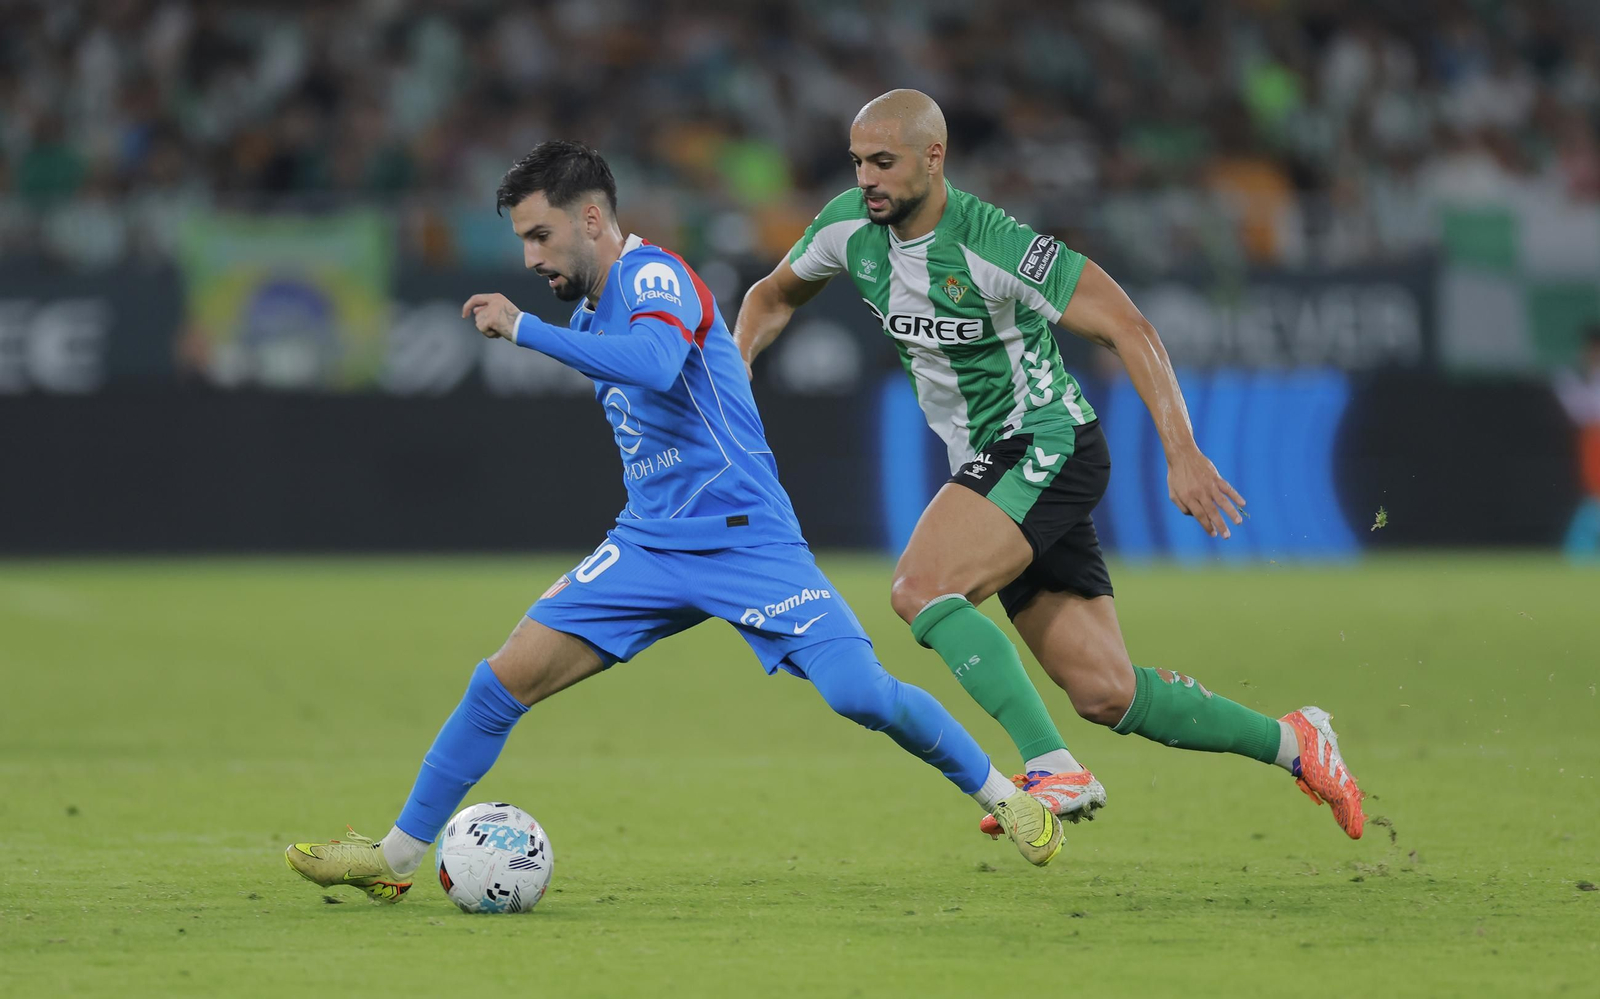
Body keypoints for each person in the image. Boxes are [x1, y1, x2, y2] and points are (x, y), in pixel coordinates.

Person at [284, 141, 1065, 902]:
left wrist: (523, 329)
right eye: (522, 240)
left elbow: (658, 363)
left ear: (592, 219)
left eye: (539, 235)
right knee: (500, 681)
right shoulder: (590, 312)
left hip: (748, 539)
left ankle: (1007, 795)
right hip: (650, 543)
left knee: (859, 693)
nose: (529, 259)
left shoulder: (653, 274)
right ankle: (392, 856)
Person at [734, 91, 1366, 840]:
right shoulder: (847, 229)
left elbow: (1128, 325)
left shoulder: (993, 243)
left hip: (1045, 440)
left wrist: (1182, 450)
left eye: (883, 161)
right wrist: (730, 391)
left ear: (934, 158)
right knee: (1108, 691)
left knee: (921, 587)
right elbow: (770, 297)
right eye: (858, 162)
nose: (866, 178)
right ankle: (1298, 742)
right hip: (994, 464)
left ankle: (1050, 762)